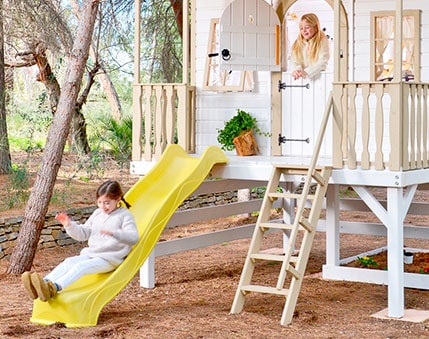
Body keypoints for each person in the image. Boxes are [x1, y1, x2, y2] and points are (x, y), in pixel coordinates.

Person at [21, 180, 139, 302]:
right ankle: (42, 285)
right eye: (99, 202)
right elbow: (83, 233)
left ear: (118, 199)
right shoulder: (98, 213)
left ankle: (53, 288)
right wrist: (69, 225)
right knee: (69, 261)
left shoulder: (125, 215)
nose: (103, 206)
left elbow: (133, 237)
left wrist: (116, 234)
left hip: (109, 259)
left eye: (107, 203)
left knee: (81, 266)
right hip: (91, 254)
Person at [289, 13, 330, 80]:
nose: (304, 31)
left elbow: (323, 62)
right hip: (302, 78)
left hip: (319, 78)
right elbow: (293, 61)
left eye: (307, 27)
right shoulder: (298, 43)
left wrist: (306, 72)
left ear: (316, 28)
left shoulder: (322, 41)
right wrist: (296, 70)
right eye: (301, 28)